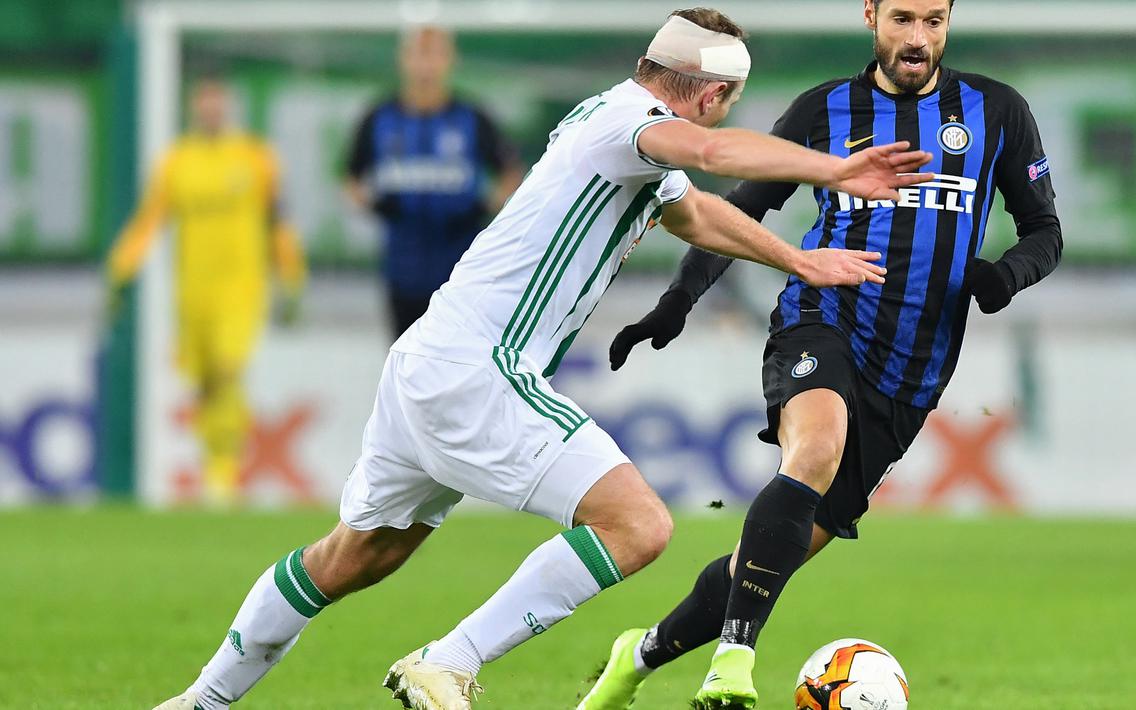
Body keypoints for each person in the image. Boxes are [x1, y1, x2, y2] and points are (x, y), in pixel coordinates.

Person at [153, 8, 933, 709]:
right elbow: (709, 150)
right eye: (727, 99)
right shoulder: (632, 123)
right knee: (637, 526)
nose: (723, 116)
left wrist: (798, 262)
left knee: (354, 555)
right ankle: (446, 661)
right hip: (480, 367)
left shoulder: (615, 124)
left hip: (431, 357)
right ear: (705, 92)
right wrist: (832, 169)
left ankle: (202, 701)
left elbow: (695, 213)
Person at [580, 0, 1064, 708]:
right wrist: (678, 298)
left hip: (912, 373)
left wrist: (1004, 274)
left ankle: (638, 655)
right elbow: (743, 211)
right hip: (823, 317)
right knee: (812, 452)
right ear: (869, 14)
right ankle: (733, 663)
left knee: (766, 563)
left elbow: (1044, 231)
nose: (917, 38)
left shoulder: (996, 111)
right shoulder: (825, 110)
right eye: (902, 18)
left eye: (933, 21)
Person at [107, 78, 306, 505]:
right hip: (192, 294)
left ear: (228, 106)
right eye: (204, 102)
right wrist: (121, 269)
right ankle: (214, 465)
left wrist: (291, 275)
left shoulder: (255, 158)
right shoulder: (176, 162)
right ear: (194, 107)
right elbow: (150, 221)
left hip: (241, 291)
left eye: (218, 101)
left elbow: (278, 221)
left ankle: (223, 476)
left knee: (227, 369)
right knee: (204, 385)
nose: (212, 110)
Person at [345, 26, 523, 340]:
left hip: (462, 269)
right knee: (406, 361)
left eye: (435, 55)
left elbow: (510, 173)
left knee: (458, 359)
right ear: (404, 60)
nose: (426, 66)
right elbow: (350, 176)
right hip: (401, 266)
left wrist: (480, 208)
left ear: (449, 60)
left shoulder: (471, 117)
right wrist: (380, 207)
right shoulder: (380, 117)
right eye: (419, 55)